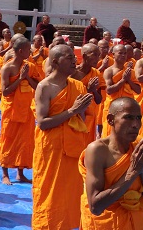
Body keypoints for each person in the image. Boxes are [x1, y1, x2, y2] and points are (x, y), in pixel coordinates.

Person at [32, 44, 95, 229]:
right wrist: (72, 110)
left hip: (73, 147)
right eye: (68, 57)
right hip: (52, 148)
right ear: (55, 62)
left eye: (73, 57)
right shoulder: (45, 87)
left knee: (70, 192)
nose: (74, 60)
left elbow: (81, 118)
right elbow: (42, 123)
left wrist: (79, 111)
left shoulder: (77, 85)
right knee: (50, 192)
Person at [80, 97, 143, 230]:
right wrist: (133, 172)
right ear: (110, 120)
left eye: (138, 118)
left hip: (138, 221)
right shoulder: (98, 150)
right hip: (108, 223)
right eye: (129, 117)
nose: (135, 124)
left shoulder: (139, 147)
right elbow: (95, 206)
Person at [0, 36, 43, 185]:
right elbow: (5, 91)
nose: (30, 52)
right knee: (8, 140)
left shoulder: (30, 66)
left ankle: (20, 172)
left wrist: (27, 78)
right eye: (28, 50)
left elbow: (38, 86)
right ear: (20, 51)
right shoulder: (7, 68)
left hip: (26, 109)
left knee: (24, 142)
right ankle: (5, 173)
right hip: (11, 110)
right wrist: (20, 79)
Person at [102, 44, 140, 138]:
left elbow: (138, 90)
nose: (123, 55)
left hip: (127, 108)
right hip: (113, 108)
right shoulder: (109, 71)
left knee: (126, 135)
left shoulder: (130, 72)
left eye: (125, 53)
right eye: (120, 53)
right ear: (113, 55)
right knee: (110, 135)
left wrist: (129, 80)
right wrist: (123, 80)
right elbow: (109, 90)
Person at [72, 43, 104, 145]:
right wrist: (88, 89)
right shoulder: (73, 73)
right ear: (85, 56)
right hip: (74, 114)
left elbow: (99, 100)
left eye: (98, 55)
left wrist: (93, 90)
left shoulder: (96, 73)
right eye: (94, 55)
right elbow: (69, 95)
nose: (97, 58)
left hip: (89, 116)